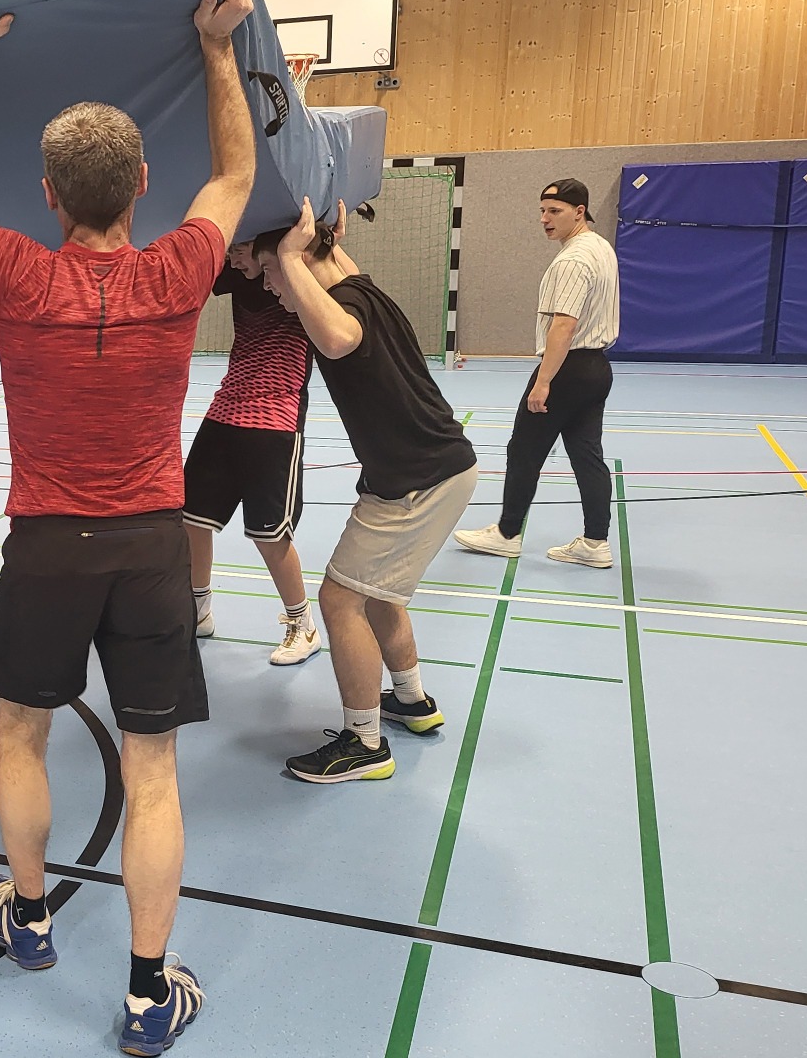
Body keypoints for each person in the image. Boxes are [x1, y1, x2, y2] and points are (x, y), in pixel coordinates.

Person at [0, 0, 258, 1058]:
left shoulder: (12, 272)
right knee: (152, 770)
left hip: (45, 547)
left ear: (47, 194)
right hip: (150, 549)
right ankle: (148, 991)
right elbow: (236, 172)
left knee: (21, 733)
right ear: (142, 183)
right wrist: (216, 47)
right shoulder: (179, 270)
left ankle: (30, 912)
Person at [253, 200, 480, 785]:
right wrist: (324, 233)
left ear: (299, 259)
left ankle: (364, 743)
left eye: (270, 271)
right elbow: (332, 268)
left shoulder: (345, 311)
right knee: (378, 592)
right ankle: (410, 699)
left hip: (417, 481)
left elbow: (336, 339)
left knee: (339, 600)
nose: (269, 286)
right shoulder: (359, 287)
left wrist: (289, 256)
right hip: (434, 469)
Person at [454, 178, 621, 568]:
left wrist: (543, 382)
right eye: (542, 211)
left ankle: (507, 534)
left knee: (524, 450)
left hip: (567, 369)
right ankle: (595, 542)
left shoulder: (572, 260)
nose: (545, 219)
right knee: (587, 455)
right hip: (596, 368)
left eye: (555, 211)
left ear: (579, 212)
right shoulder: (601, 248)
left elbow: (564, 325)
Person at [183, 244, 320, 666]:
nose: (233, 258)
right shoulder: (239, 272)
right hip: (227, 407)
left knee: (269, 533)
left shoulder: (297, 274)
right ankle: (198, 609)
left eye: (241, 249)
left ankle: (303, 625)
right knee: (191, 517)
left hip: (275, 416)